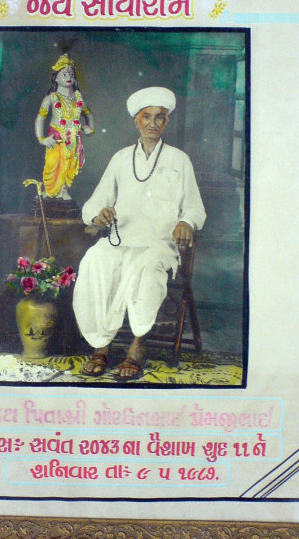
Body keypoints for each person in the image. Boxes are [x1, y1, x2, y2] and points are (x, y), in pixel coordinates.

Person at [73, 86, 206, 380]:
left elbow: (195, 208)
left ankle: (137, 345)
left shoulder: (179, 160)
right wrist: (98, 214)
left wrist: (186, 222)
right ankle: (101, 345)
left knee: (146, 267)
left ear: (166, 121)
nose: (152, 124)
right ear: (136, 120)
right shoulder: (121, 158)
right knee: (95, 259)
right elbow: (95, 203)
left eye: (159, 117)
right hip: (122, 239)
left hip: (160, 244)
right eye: (147, 117)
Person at [35, 54, 95, 200]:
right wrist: (41, 138)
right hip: (56, 138)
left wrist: (90, 128)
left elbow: (89, 115)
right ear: (56, 78)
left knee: (70, 165)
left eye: (71, 74)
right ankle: (49, 190)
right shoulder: (51, 98)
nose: (68, 76)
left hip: (73, 138)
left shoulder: (79, 99)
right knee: (52, 165)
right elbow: (40, 118)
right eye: (64, 74)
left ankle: (64, 190)